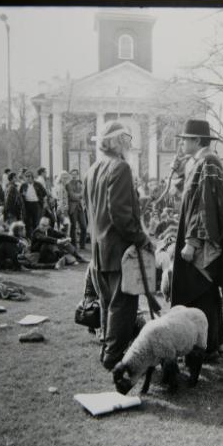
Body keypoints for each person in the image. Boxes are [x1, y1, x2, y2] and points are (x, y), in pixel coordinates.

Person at [170, 118, 223, 360]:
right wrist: (179, 172)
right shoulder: (198, 162)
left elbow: (205, 206)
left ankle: (207, 346)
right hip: (198, 235)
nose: (182, 145)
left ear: (197, 140)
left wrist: (192, 241)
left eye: (185, 141)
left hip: (202, 240)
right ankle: (208, 344)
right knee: (202, 292)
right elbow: (188, 197)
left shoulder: (208, 162)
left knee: (201, 292)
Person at [83, 120, 150, 371]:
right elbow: (120, 214)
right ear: (118, 141)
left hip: (100, 250)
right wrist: (141, 238)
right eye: (128, 139)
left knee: (108, 302)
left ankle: (107, 350)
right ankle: (113, 356)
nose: (131, 144)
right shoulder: (120, 167)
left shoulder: (93, 169)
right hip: (119, 248)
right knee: (123, 305)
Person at [19, 170, 47, 238]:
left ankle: (37, 237)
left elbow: (45, 194)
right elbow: (20, 195)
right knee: (27, 222)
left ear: (32, 177)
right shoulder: (23, 185)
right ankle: (29, 237)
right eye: (26, 177)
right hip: (27, 205)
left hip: (36, 204)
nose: (28, 178)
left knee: (36, 221)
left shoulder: (38, 184)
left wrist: (45, 203)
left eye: (29, 176)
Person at [67, 168, 87, 250]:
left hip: (80, 207)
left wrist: (78, 195)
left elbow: (83, 193)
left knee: (84, 226)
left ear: (77, 175)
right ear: (70, 175)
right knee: (73, 227)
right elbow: (72, 196)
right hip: (72, 207)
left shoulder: (80, 183)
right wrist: (79, 195)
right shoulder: (68, 184)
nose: (74, 176)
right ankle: (74, 245)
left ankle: (82, 245)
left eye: (75, 174)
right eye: (73, 174)